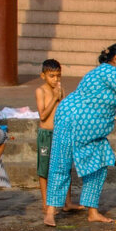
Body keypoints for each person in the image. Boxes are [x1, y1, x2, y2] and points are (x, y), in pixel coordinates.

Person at [45, 43, 116, 226]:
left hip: (87, 126)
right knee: (60, 163)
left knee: (100, 161)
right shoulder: (109, 72)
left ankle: (92, 211)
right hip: (71, 119)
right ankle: (50, 212)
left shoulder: (105, 72)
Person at [35, 58, 77, 213]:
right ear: (43, 76)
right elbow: (43, 115)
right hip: (46, 134)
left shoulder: (62, 89)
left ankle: (67, 202)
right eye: (52, 76)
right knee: (44, 169)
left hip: (60, 133)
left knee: (64, 167)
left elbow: (65, 111)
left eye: (58, 76)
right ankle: (46, 203)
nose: (55, 79)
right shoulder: (40, 91)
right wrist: (54, 98)